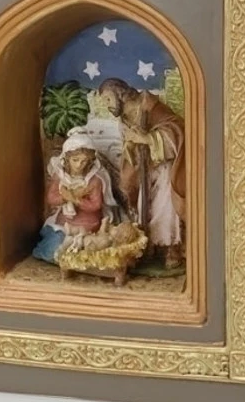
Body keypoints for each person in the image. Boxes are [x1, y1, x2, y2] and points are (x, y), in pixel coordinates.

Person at [98, 78, 185, 269]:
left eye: (108, 99)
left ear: (120, 94)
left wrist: (148, 139)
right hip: (144, 169)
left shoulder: (150, 106)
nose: (107, 106)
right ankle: (148, 243)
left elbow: (176, 129)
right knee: (141, 203)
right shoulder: (124, 120)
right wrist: (131, 145)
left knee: (164, 206)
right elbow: (129, 148)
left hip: (164, 168)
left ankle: (170, 247)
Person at [33, 127, 118, 264]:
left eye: (84, 161)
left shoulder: (94, 180)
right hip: (64, 223)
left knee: (85, 246)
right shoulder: (60, 176)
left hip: (88, 224)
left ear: (90, 161)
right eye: (75, 160)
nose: (79, 165)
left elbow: (96, 205)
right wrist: (65, 197)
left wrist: (75, 200)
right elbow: (51, 198)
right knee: (54, 244)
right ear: (67, 159)